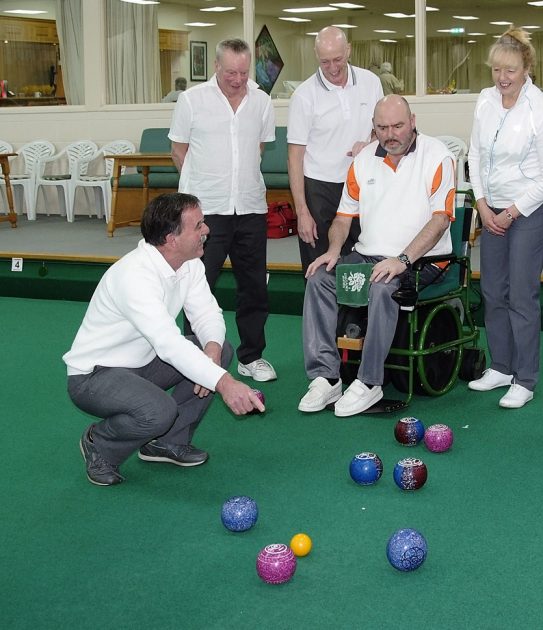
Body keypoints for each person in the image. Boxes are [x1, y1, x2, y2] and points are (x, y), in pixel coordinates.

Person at [63, 193, 265, 486]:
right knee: (158, 411)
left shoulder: (189, 262)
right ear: (172, 239)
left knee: (219, 350)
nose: (206, 230)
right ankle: (100, 444)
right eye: (198, 226)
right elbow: (168, 344)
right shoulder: (134, 276)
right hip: (94, 376)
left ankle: (166, 443)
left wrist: (211, 350)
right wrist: (224, 382)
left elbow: (207, 312)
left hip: (143, 362)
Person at [299, 95, 455, 418]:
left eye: (398, 125)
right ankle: (326, 377)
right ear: (373, 127)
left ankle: (370, 382)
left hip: (424, 262)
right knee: (319, 278)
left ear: (412, 122)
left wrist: (403, 259)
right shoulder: (363, 160)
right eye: (382, 127)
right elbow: (343, 218)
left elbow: (440, 221)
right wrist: (332, 251)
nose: (390, 134)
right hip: (367, 257)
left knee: (385, 286)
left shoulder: (437, 156)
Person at [169, 38, 278, 383]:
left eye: (244, 72)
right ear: (216, 66)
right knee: (199, 286)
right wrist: (199, 196)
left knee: (254, 287)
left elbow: (257, 148)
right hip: (206, 212)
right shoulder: (191, 101)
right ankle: (194, 357)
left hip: (249, 207)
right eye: (231, 71)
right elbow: (178, 151)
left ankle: (251, 356)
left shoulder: (261, 101)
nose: (237, 79)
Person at [466, 26, 543, 410]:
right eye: (496, 70)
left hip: (530, 212)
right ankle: (501, 366)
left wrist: (509, 212)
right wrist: (483, 204)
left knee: (522, 295)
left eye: (510, 70)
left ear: (526, 68)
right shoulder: (485, 101)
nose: (502, 78)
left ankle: (525, 377)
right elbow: (475, 152)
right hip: (492, 212)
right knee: (492, 291)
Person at [287, 26, 384, 275]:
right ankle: (319, 314)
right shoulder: (304, 95)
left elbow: (382, 130)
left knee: (361, 260)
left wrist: (371, 142)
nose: (332, 68)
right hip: (319, 187)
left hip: (361, 183)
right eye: (325, 61)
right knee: (319, 264)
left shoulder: (371, 82)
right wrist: (302, 213)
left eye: (338, 59)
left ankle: (356, 315)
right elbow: (295, 157)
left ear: (349, 50)